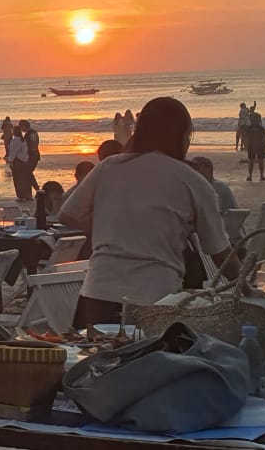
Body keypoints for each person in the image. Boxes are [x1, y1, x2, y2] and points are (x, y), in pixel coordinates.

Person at [60, 97, 240, 328]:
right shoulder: (192, 180)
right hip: (155, 296)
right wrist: (246, 288)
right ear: (182, 135)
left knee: (96, 360)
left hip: (99, 290)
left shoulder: (109, 167)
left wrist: (114, 226)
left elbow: (69, 214)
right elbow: (219, 250)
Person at [5, 125, 32, 200]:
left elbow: (13, 152)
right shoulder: (22, 140)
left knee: (18, 180)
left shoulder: (15, 140)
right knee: (25, 179)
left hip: (18, 162)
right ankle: (28, 195)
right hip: (25, 161)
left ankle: (21, 196)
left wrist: (9, 160)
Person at [245, 112, 265, 182]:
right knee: (253, 161)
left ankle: (259, 175)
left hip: (257, 146)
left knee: (257, 161)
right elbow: (247, 138)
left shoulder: (258, 129)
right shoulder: (256, 129)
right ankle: (252, 175)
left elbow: (263, 139)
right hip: (254, 146)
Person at [20, 120, 41, 191]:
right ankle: (33, 190)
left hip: (32, 156)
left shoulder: (28, 134)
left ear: (24, 126)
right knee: (28, 173)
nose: (21, 129)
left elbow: (30, 145)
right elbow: (37, 142)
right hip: (35, 155)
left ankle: (37, 189)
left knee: (27, 173)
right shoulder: (34, 132)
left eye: (21, 127)